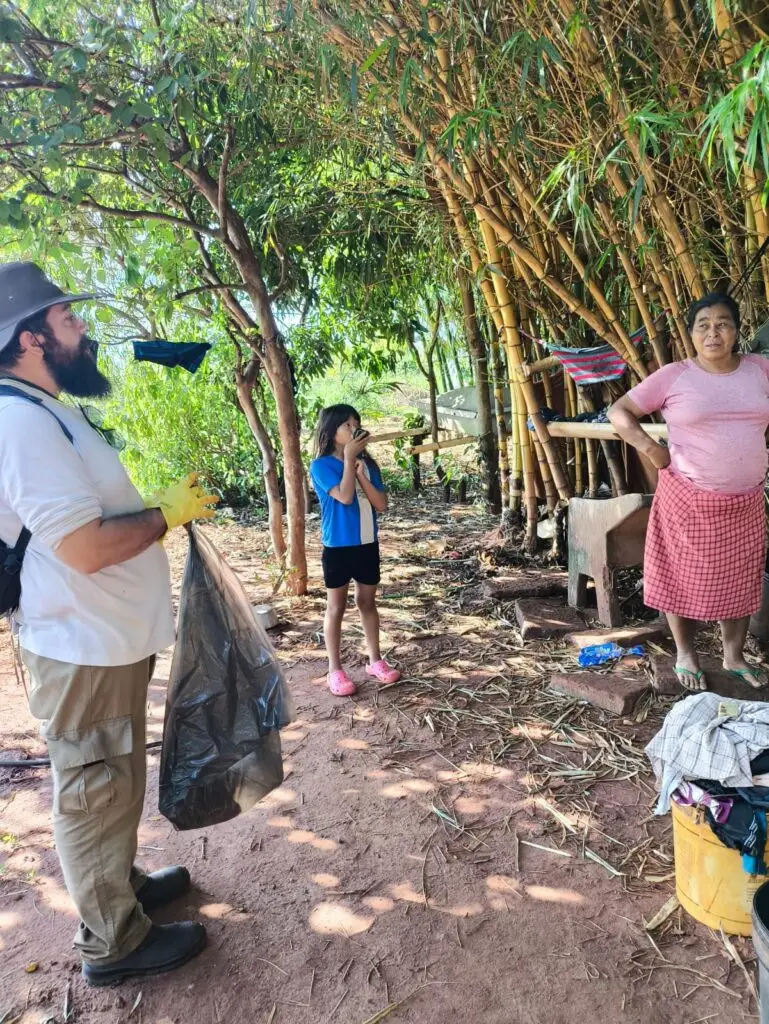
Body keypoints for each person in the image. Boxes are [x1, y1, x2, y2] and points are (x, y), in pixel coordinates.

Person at [0, 262, 219, 985]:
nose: (82, 327)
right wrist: (164, 514)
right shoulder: (18, 421)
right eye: (68, 319)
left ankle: (118, 885)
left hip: (102, 641)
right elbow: (86, 548)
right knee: (93, 787)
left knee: (112, 777)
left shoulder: (46, 407)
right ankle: (113, 943)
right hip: (80, 644)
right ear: (31, 338)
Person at [608, 292, 769, 692]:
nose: (713, 332)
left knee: (741, 577)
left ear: (736, 331)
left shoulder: (760, 369)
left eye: (723, 323)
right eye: (704, 325)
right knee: (681, 577)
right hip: (687, 496)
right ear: (692, 335)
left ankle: (733, 655)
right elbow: (619, 412)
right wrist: (652, 450)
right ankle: (686, 653)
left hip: (746, 498)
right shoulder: (675, 375)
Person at [309, 404, 401, 696]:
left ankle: (375, 660)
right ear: (331, 431)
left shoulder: (369, 465)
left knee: (367, 603)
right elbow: (345, 498)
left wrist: (361, 472)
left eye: (356, 423)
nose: (354, 428)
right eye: (347, 425)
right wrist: (349, 461)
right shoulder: (321, 465)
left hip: (367, 544)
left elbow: (381, 504)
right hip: (337, 546)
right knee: (336, 607)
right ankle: (335, 669)